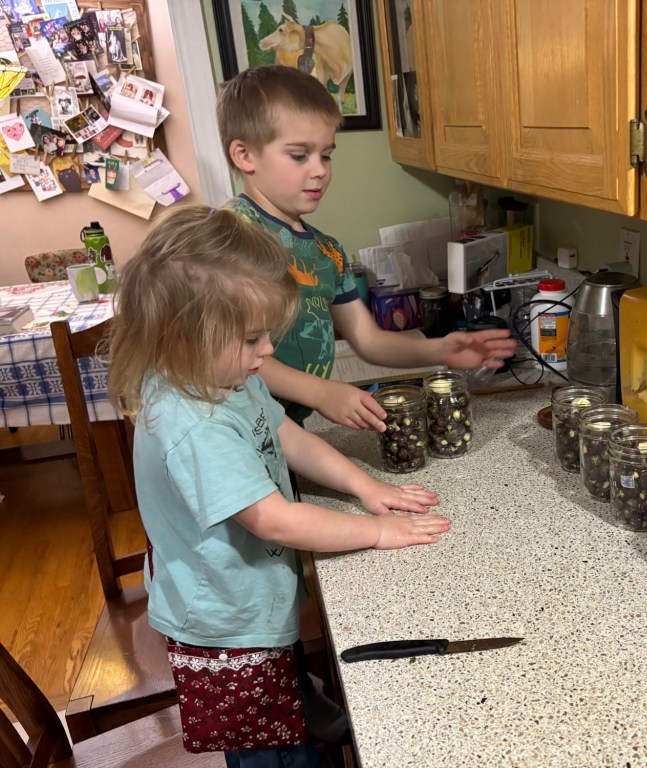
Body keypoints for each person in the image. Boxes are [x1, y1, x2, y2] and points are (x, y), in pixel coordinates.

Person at [105, 205, 452, 766]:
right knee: (271, 753)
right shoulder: (194, 424)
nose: (267, 350)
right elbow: (274, 519)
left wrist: (363, 486)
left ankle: (305, 706)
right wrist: (377, 532)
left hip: (252, 599)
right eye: (251, 338)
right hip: (227, 629)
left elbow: (286, 434)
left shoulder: (222, 375)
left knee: (290, 708)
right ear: (181, 335)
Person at [215, 65, 517, 431]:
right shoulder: (229, 236)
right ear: (245, 155)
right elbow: (229, 352)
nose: (320, 170)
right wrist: (321, 393)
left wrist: (439, 350)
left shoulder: (327, 251)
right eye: (299, 155)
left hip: (287, 429)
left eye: (326, 155)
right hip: (234, 427)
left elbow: (368, 340)